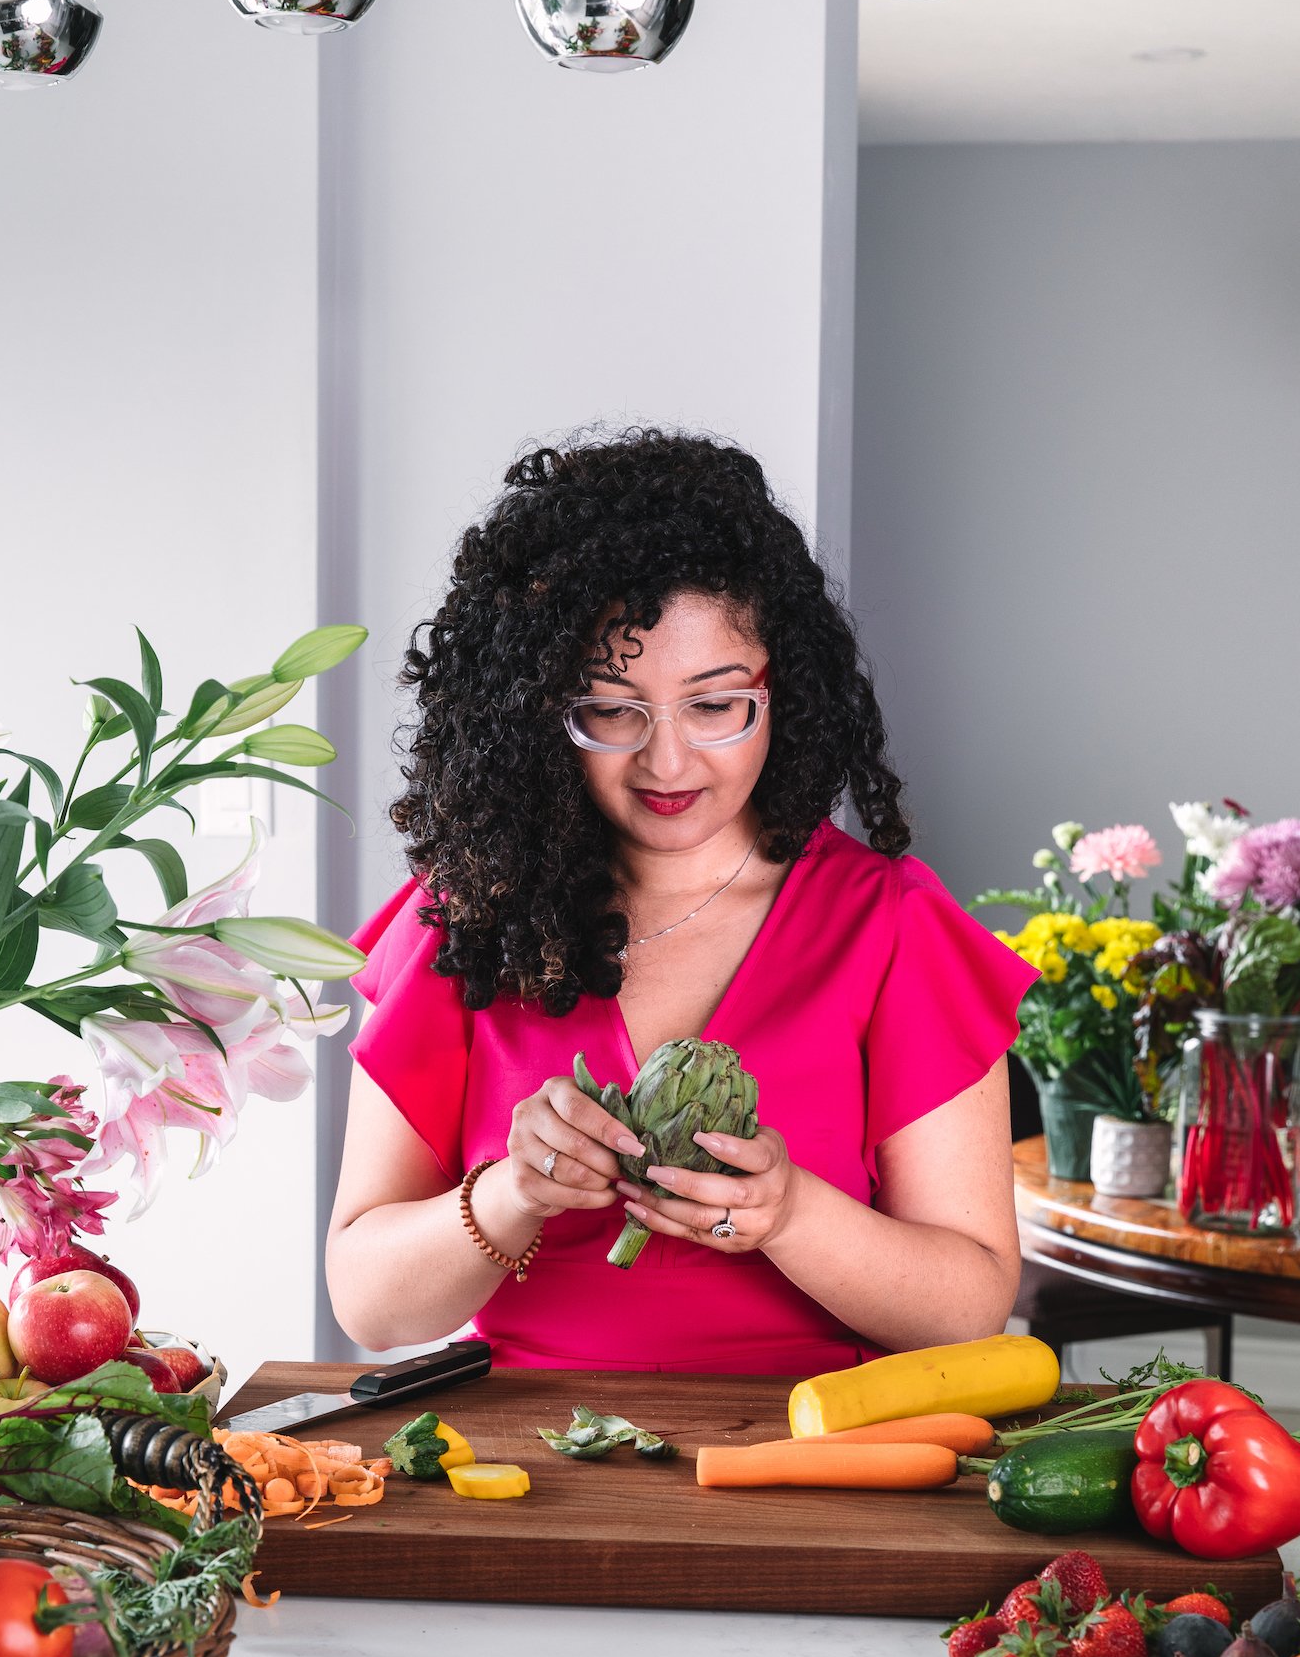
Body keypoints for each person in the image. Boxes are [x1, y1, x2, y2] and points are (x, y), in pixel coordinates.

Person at [326, 430, 1035, 1376]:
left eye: (715, 705)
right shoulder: (464, 922)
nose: (666, 763)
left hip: (815, 1457)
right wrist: (509, 1196)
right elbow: (367, 1304)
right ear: (539, 711)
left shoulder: (888, 923)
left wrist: (790, 1213)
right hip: (524, 1465)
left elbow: (970, 1306)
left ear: (783, 694)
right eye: (613, 710)